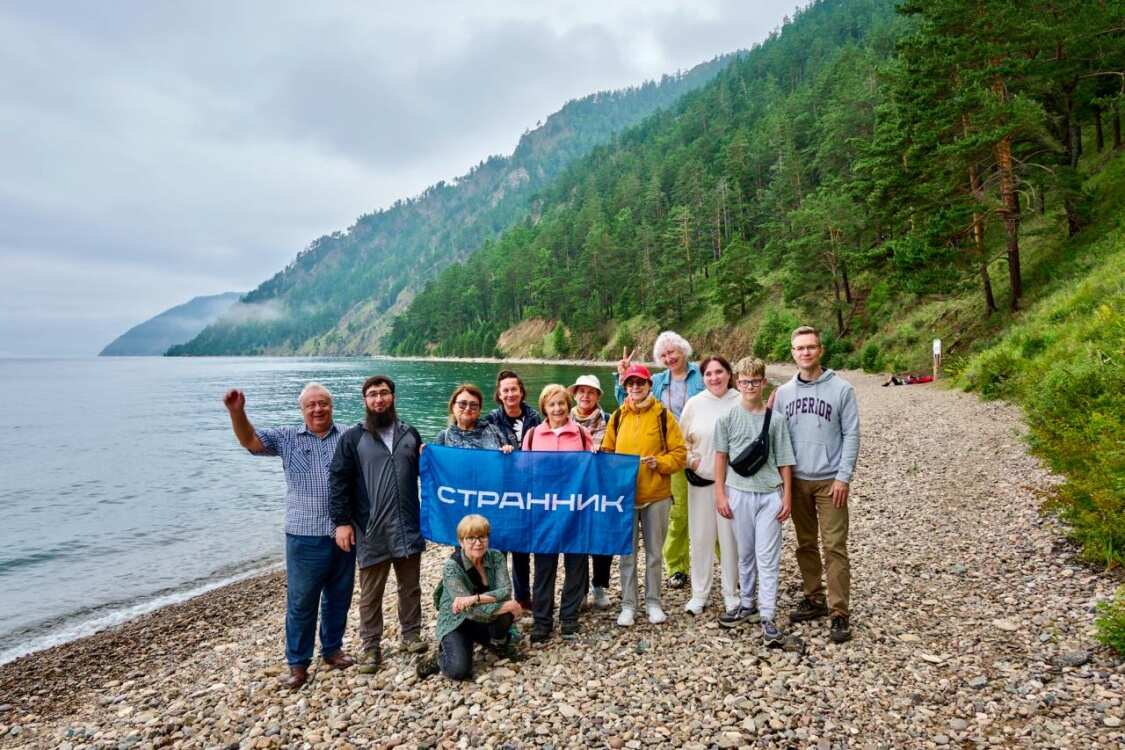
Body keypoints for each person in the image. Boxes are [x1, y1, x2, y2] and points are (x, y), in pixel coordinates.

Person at [222, 383, 355, 689]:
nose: (318, 409)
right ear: (302, 410)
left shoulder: (349, 436)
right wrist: (237, 412)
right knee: (301, 602)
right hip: (303, 535)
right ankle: (298, 664)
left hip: (344, 533)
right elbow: (250, 441)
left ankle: (332, 649)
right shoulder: (287, 438)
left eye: (323, 403)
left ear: (331, 407)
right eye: (311, 405)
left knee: (339, 597)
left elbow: (379, 453)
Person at [329, 375, 426, 675]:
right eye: (373, 395)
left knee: (410, 587)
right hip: (371, 529)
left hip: (408, 525)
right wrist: (342, 523)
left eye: (384, 393)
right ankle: (371, 646)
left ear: (393, 397)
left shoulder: (410, 433)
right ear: (365, 401)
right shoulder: (353, 438)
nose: (379, 399)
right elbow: (338, 480)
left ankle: (411, 636)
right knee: (371, 594)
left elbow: (430, 475)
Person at [772, 325, 860, 644]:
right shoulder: (783, 394)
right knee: (805, 543)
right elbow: (776, 438)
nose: (805, 352)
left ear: (820, 350)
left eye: (811, 347)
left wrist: (843, 476)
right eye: (799, 348)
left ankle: (839, 612)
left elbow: (851, 434)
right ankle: (814, 597)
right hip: (797, 480)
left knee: (834, 546)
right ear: (792, 353)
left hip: (829, 482)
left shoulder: (841, 390)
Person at [713, 358, 795, 646]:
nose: (750, 386)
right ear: (737, 382)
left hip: (769, 494)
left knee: (767, 557)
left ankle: (768, 615)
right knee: (745, 554)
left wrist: (787, 495)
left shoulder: (777, 420)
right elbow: (720, 457)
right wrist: (720, 493)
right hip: (739, 493)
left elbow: (785, 460)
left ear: (763, 383)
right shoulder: (726, 419)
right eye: (745, 381)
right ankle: (747, 604)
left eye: (755, 381)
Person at [615, 332, 703, 590]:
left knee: (713, 510)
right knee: (678, 514)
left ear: (684, 350)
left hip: (703, 450)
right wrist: (621, 378)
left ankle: (721, 562)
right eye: (663, 355)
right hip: (669, 452)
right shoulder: (656, 380)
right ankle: (677, 567)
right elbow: (628, 405)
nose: (669, 358)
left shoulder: (703, 375)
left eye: (673, 352)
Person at [602, 364, 687, 626]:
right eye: (630, 383)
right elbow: (607, 451)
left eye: (640, 383)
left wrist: (659, 464)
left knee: (654, 553)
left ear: (650, 385)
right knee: (627, 554)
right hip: (625, 498)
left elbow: (679, 454)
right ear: (625, 387)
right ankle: (628, 604)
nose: (635, 387)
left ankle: (653, 602)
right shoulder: (617, 417)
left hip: (657, 495)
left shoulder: (664, 416)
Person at [523, 384, 596, 642]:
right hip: (544, 512)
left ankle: (569, 618)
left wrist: (597, 456)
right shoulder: (532, 435)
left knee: (576, 564)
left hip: (575, 509)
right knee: (544, 567)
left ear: (568, 405)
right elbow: (524, 471)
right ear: (544, 407)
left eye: (561, 403)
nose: (557, 409)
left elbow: (592, 469)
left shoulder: (581, 433)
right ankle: (542, 621)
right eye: (551, 404)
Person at [418, 514, 524, 681]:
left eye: (482, 536)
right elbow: (469, 612)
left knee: (505, 612)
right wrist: (507, 605)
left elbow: (505, 590)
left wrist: (475, 599)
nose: (477, 542)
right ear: (461, 542)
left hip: (482, 616)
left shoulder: (495, 556)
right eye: (471, 538)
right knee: (459, 671)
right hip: (457, 622)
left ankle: (497, 642)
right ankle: (439, 658)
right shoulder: (452, 567)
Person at [677, 355, 741, 616]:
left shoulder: (740, 401)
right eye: (708, 374)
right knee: (701, 538)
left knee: (730, 540)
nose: (714, 378)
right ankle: (699, 593)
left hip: (733, 484)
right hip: (701, 482)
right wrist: (691, 461)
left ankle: (731, 593)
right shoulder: (694, 404)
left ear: (729, 373)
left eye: (719, 372)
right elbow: (681, 443)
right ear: (702, 378)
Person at [482, 369, 541, 610]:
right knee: (499, 545)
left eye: (513, 389)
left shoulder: (534, 417)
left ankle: (523, 596)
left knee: (522, 546)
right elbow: (484, 447)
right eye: (505, 390)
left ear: (521, 391)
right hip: (501, 490)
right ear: (499, 393)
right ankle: (499, 596)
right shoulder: (491, 419)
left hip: (527, 489)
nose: (510, 394)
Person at [569, 374, 613, 610]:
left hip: (601, 488)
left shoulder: (608, 419)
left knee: (602, 540)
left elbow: (618, 449)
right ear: (574, 394)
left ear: (597, 396)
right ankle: (580, 589)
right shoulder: (563, 419)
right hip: (573, 490)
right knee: (577, 541)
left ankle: (600, 585)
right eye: (581, 391)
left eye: (591, 392)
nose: (586, 396)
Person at [432, 384, 514, 452]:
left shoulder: (494, 431)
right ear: (453, 407)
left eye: (473, 405)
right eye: (462, 404)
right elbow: (433, 465)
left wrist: (507, 450)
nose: (468, 408)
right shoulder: (443, 437)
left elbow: (506, 464)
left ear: (479, 410)